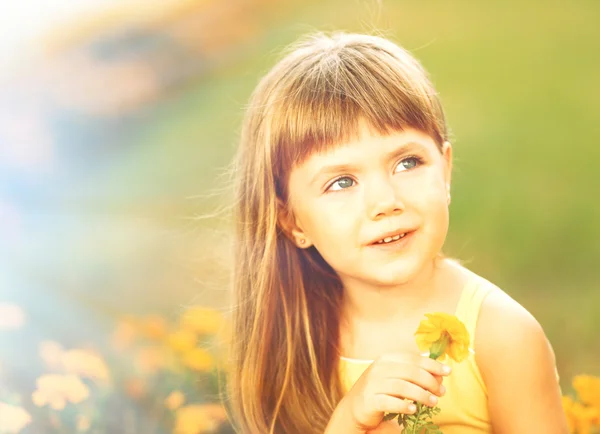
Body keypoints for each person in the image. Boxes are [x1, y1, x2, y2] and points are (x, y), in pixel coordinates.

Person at [225, 32, 568, 433]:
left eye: (407, 163)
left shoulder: (503, 335)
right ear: (293, 222)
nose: (386, 201)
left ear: (446, 171)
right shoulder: (293, 338)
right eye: (341, 182)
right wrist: (348, 420)